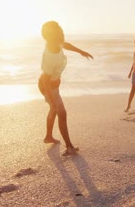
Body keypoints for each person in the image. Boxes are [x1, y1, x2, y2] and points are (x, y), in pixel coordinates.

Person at [38, 21, 93, 156]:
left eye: (61, 30)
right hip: (48, 87)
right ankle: (69, 147)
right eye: (59, 32)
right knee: (61, 113)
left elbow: (65, 44)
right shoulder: (49, 55)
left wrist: (81, 51)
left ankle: (48, 137)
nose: (62, 33)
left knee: (54, 109)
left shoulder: (56, 43)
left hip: (54, 85)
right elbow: (45, 80)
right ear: (52, 36)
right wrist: (52, 98)